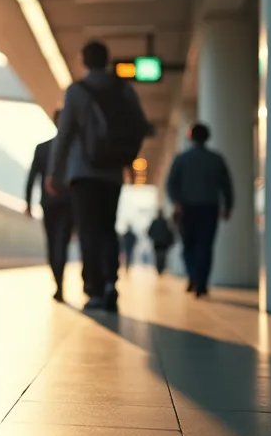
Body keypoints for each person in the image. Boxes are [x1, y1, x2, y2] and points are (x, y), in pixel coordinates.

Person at [45, 40, 150, 312]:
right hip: (112, 173)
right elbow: (140, 126)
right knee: (107, 228)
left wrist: (54, 173)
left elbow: (64, 134)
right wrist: (126, 159)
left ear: (83, 61)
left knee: (88, 231)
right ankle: (109, 284)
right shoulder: (123, 89)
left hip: (83, 173)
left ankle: (93, 288)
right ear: (107, 59)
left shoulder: (77, 91)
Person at [166, 123, 234, 297]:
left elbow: (171, 184)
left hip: (187, 208)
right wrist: (228, 206)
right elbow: (226, 186)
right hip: (210, 207)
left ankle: (194, 277)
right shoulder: (216, 159)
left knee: (189, 245)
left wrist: (177, 202)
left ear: (190, 136)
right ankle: (200, 281)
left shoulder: (181, 159)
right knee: (205, 245)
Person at [25, 109, 73, 301]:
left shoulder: (42, 148)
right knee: (62, 243)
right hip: (68, 204)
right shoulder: (72, 149)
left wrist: (28, 203)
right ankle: (60, 283)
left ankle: (58, 284)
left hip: (49, 203)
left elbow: (32, 178)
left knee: (53, 244)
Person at [147, 210, 174, 274]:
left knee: (158, 256)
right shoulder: (165, 222)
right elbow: (169, 232)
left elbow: (149, 232)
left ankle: (159, 268)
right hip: (164, 243)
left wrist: (153, 237)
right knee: (162, 256)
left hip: (157, 242)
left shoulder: (155, 222)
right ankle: (161, 268)